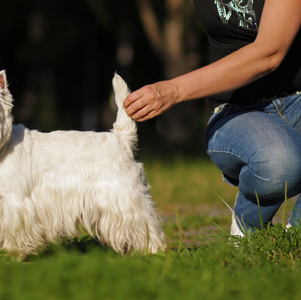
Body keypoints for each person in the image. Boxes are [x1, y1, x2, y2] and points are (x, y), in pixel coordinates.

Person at [124, 0, 301, 236]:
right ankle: (248, 224)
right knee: (280, 163)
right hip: (237, 110)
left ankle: (295, 236)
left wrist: (173, 90)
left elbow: (270, 52)